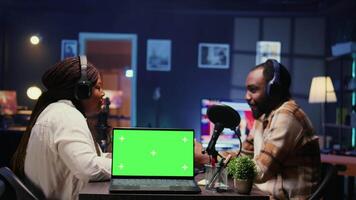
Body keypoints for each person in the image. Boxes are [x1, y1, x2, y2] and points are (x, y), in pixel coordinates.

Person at [195, 59, 321, 199]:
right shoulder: (263, 116)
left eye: (253, 90)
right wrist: (208, 153)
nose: (246, 97)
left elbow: (260, 171)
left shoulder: (287, 115)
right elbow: (242, 155)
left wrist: (205, 158)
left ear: (273, 91)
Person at [12, 56, 111, 200]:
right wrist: (126, 166)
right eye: (98, 87)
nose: (103, 93)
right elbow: (89, 169)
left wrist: (122, 159)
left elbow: (93, 158)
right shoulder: (65, 116)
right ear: (82, 90)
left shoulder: (60, 112)